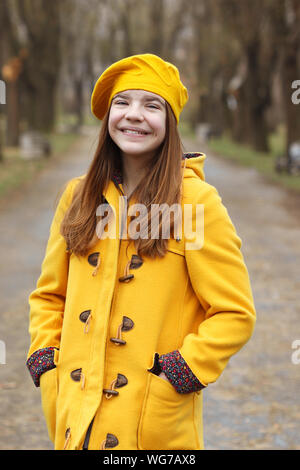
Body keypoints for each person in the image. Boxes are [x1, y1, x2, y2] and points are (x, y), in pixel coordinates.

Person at [26, 53, 256, 451]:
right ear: (108, 116)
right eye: (122, 102)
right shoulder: (77, 197)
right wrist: (47, 363)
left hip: (151, 428)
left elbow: (235, 313)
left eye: (151, 105)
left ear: (170, 122)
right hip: (75, 420)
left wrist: (181, 372)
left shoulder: (196, 204)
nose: (134, 115)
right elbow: (49, 296)